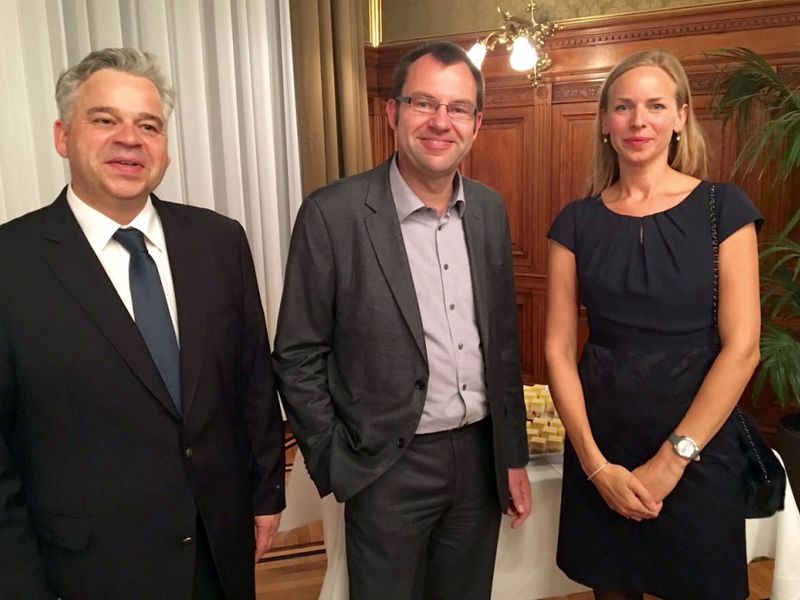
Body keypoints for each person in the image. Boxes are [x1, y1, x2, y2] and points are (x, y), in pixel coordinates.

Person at [0, 48, 285, 599]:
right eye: (105, 119)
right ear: (63, 136)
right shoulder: (11, 263)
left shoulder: (220, 241)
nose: (129, 138)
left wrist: (266, 492)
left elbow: (253, 379)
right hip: (85, 571)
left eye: (148, 125)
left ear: (165, 151)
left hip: (218, 549)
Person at [273, 41, 530, 600]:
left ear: (477, 124)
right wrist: (337, 460)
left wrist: (511, 456)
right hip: (386, 465)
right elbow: (297, 355)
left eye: (458, 108)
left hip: (479, 461)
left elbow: (502, 345)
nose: (441, 122)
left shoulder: (488, 209)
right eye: (424, 103)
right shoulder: (332, 214)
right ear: (392, 112)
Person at [545, 48, 762, 600]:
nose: (638, 120)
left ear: (681, 117)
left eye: (655, 105)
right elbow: (558, 351)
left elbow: (743, 349)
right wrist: (596, 468)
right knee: (613, 589)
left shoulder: (724, 208)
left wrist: (673, 459)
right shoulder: (574, 221)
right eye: (623, 107)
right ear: (603, 122)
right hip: (603, 443)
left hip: (700, 446)